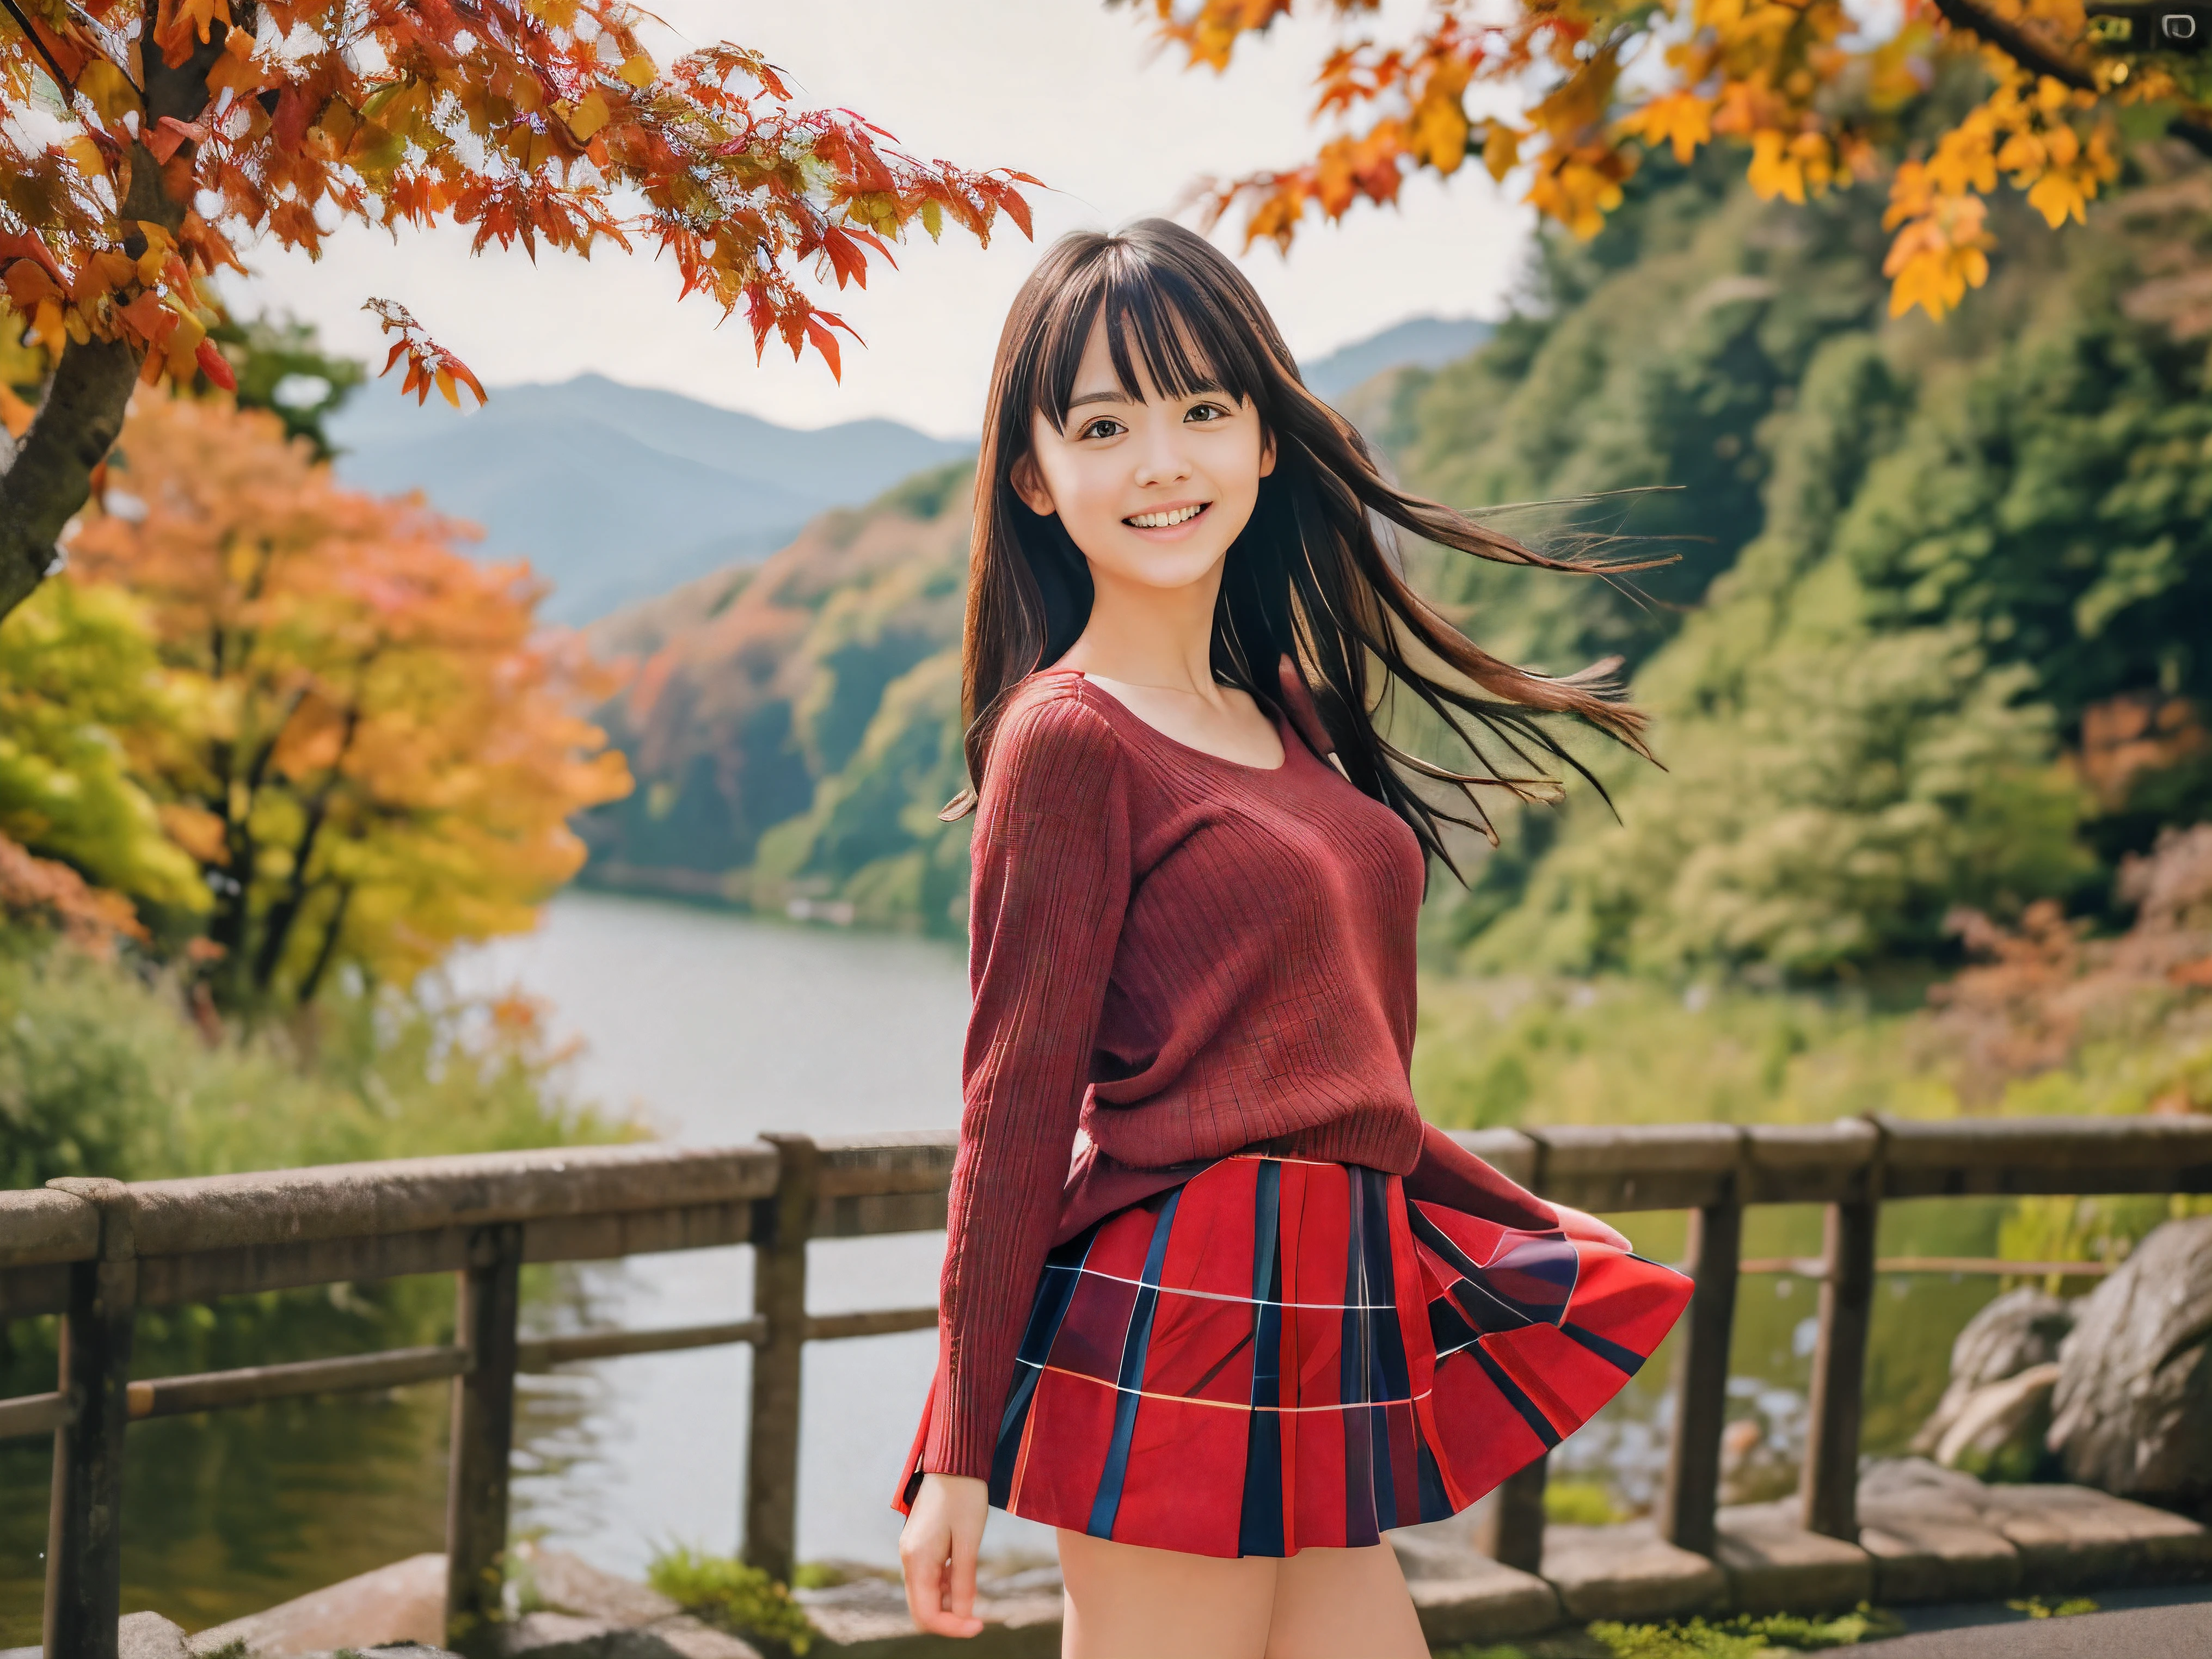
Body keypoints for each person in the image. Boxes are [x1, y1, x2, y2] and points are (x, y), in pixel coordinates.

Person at [893, 218, 1692, 1659]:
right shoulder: (1066, 740)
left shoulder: (1290, 717)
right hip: (1182, 1300)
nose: (1161, 459)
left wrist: (1498, 1216)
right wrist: (957, 1440)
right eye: (1104, 421)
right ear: (1034, 472)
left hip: (1327, 1297)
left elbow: (1338, 1074)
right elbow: (1011, 1105)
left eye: (1204, 407)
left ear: (1266, 440)